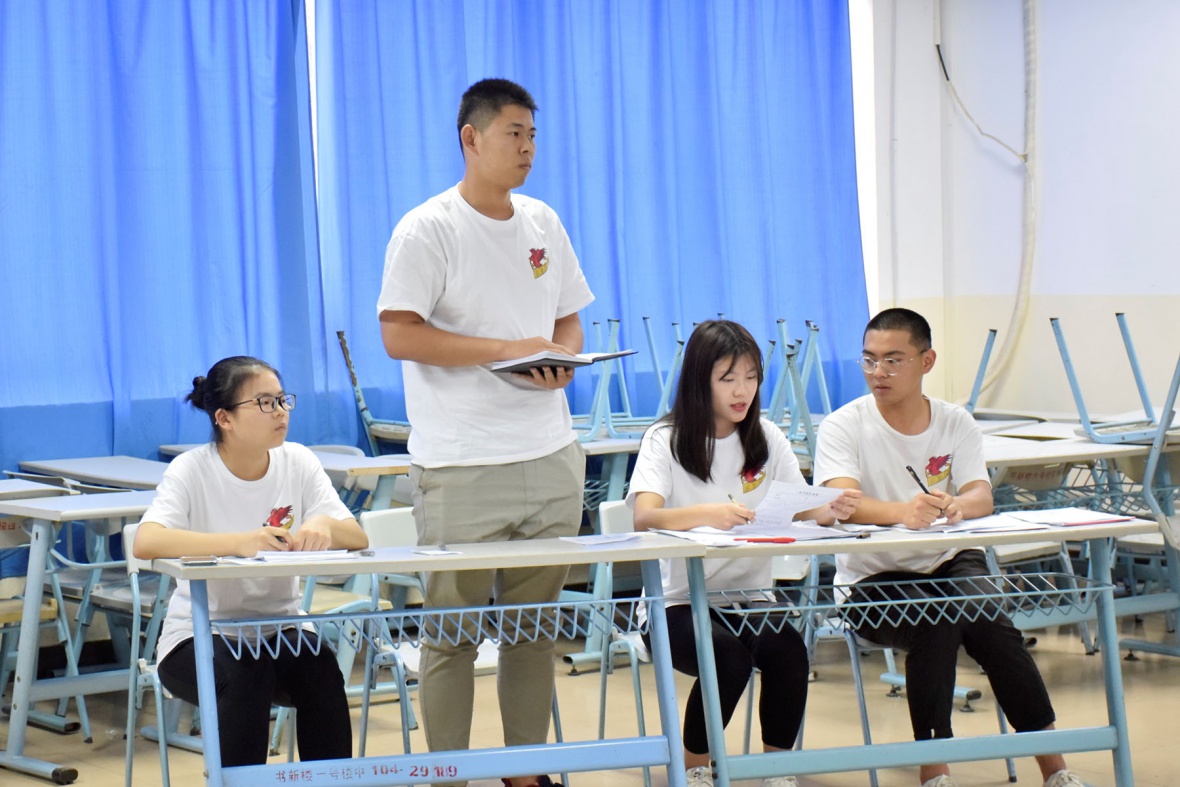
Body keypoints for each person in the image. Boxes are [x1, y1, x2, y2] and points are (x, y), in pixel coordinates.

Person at [376, 78, 593, 787]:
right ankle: (449, 772)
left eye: (533, 135)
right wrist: (504, 350)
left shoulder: (542, 221)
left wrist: (558, 359)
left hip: (550, 454)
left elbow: (568, 317)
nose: (528, 148)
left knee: (534, 631)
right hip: (461, 462)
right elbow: (399, 334)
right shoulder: (428, 228)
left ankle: (525, 771)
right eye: (513, 134)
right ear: (470, 138)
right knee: (452, 637)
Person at [812, 308, 1086, 787]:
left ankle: (1054, 769)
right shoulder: (844, 425)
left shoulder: (955, 421)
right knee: (934, 621)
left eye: (893, 360)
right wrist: (903, 512)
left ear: (927, 361)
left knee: (992, 623)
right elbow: (842, 503)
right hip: (872, 579)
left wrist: (958, 505)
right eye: (869, 360)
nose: (879, 372)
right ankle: (934, 771)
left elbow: (981, 494)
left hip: (950, 559)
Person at [628, 320, 861, 787]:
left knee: (789, 651)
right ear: (700, 381)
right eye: (728, 378)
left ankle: (776, 770)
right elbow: (644, 516)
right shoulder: (665, 438)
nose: (742, 391)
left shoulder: (767, 436)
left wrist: (830, 509)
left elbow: (800, 505)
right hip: (675, 604)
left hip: (750, 599)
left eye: (751, 377)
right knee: (726, 658)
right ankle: (694, 768)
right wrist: (708, 514)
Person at [134, 356, 367, 766]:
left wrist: (324, 525)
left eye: (282, 400)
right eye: (264, 403)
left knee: (322, 669)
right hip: (198, 634)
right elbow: (146, 540)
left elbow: (357, 537)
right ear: (224, 418)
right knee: (245, 673)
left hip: (279, 627)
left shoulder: (298, 461)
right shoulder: (192, 469)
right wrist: (240, 542)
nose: (280, 412)